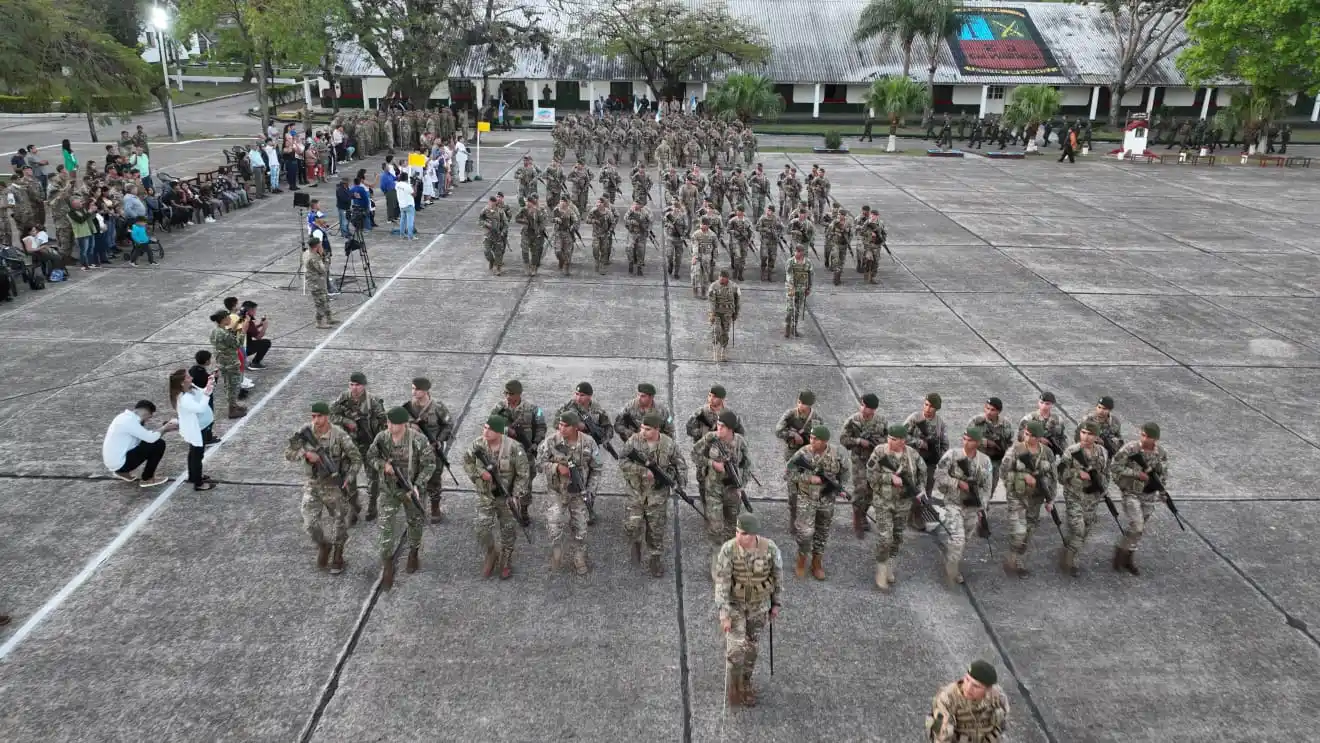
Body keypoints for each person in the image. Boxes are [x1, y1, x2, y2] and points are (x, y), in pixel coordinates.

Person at [712, 513, 782, 708]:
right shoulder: (728, 550)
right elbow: (722, 583)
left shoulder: (770, 549)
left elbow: (778, 577)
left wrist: (776, 604)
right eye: (736, 531)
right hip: (735, 604)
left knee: (751, 648)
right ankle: (734, 686)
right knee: (735, 649)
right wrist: (724, 613)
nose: (737, 536)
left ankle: (745, 683)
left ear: (752, 534)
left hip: (758, 606)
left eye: (741, 533)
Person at [285, 401, 361, 574]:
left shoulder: (339, 435)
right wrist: (305, 454)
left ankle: (338, 554)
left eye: (319, 416)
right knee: (309, 524)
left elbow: (356, 458)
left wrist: (348, 478)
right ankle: (323, 545)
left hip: (334, 485)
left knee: (340, 521)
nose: (316, 420)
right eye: (313, 416)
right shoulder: (304, 432)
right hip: (313, 485)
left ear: (327, 416)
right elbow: (288, 453)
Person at [367, 406, 436, 590]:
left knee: (415, 523)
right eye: (388, 422)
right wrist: (383, 466)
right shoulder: (382, 438)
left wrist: (418, 484)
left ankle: (413, 552)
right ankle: (388, 565)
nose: (389, 426)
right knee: (385, 528)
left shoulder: (418, 440)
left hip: (411, 491)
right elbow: (371, 456)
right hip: (389, 491)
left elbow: (430, 464)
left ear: (404, 424)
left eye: (393, 423)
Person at [619, 412, 688, 577]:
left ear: (657, 429)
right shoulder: (634, 441)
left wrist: (679, 484)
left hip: (657, 495)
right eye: (642, 427)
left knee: (656, 529)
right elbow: (622, 461)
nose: (643, 431)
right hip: (635, 492)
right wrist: (643, 471)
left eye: (648, 429)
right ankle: (635, 543)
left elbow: (681, 465)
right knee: (632, 525)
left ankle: (655, 558)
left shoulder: (669, 444)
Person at [462, 415, 531, 579]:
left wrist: (516, 495)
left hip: (507, 498)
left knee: (508, 530)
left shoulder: (514, 448)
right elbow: (467, 462)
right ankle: (491, 553)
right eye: (485, 427)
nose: (486, 431)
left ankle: (506, 559)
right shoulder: (478, 444)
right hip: (486, 495)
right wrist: (480, 473)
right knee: (481, 529)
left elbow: (523, 475)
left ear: (499, 432)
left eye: (490, 429)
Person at [537, 410, 604, 575]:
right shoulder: (551, 441)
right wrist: (556, 468)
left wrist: (590, 491)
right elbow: (539, 464)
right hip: (557, 491)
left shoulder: (588, 443)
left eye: (566, 425)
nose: (562, 428)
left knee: (581, 527)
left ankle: (579, 556)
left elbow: (596, 469)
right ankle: (557, 551)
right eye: (560, 424)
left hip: (579, 494)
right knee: (553, 524)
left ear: (576, 427)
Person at [1110, 422, 1169, 575]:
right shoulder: (1131, 449)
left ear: (1155, 439)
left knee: (1138, 531)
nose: (1144, 439)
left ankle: (1128, 558)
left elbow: (1162, 475)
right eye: (1142, 435)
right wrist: (1136, 474)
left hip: (1149, 496)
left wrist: (1163, 493)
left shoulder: (1161, 453)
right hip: (1131, 493)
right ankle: (1120, 554)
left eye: (1148, 437)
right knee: (1137, 525)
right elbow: (1115, 466)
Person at [331, 372, 388, 523]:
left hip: (369, 445)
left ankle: (372, 505)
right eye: (352, 385)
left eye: (357, 385)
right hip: (350, 446)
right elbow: (331, 416)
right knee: (349, 477)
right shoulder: (343, 398)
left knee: (373, 478)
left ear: (364, 385)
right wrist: (346, 421)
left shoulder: (373, 401)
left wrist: (381, 443)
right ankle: (353, 507)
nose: (354, 388)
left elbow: (384, 422)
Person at [926, 661, 1009, 743]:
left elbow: (1002, 725)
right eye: (967, 679)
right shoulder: (946, 699)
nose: (968, 688)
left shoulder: (998, 698)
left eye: (976, 686)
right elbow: (939, 736)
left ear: (988, 689)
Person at [102, 399, 176, 487]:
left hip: (113, 462)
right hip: (120, 464)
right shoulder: (130, 422)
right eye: (149, 417)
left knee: (150, 442)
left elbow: (145, 436)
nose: (147, 420)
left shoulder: (123, 417)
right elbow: (151, 439)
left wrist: (164, 429)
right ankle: (147, 479)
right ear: (147, 413)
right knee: (159, 444)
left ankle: (122, 472)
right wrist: (164, 428)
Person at [168, 368, 216, 491]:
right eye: (188, 377)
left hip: (202, 426)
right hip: (196, 429)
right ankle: (198, 483)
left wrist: (209, 384)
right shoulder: (184, 398)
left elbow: (203, 393)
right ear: (182, 383)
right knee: (197, 455)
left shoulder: (191, 387)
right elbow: (200, 408)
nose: (191, 378)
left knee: (195, 453)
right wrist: (207, 394)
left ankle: (194, 476)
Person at [208, 310, 247, 418]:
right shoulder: (224, 333)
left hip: (222, 362)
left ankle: (233, 405)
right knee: (233, 386)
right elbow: (237, 344)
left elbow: (228, 337)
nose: (230, 319)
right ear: (223, 319)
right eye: (228, 318)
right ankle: (232, 410)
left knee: (228, 384)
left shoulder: (215, 331)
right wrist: (243, 332)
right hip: (231, 363)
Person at [188, 351, 219, 445]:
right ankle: (207, 438)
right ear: (206, 361)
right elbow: (209, 385)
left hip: (195, 398)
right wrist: (215, 377)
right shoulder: (203, 374)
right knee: (207, 417)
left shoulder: (192, 370)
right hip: (204, 399)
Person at [304, 236, 335, 329]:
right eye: (320, 244)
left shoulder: (306, 253)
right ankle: (319, 322)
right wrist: (325, 257)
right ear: (317, 246)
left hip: (318, 281)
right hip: (316, 283)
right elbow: (323, 269)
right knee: (320, 302)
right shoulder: (314, 257)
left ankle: (329, 318)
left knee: (325, 299)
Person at [395, 172, 416, 239]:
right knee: (410, 222)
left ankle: (402, 234)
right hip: (409, 204)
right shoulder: (407, 186)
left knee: (402, 220)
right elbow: (414, 194)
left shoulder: (397, 185)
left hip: (401, 205)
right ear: (407, 178)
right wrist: (415, 185)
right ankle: (410, 236)